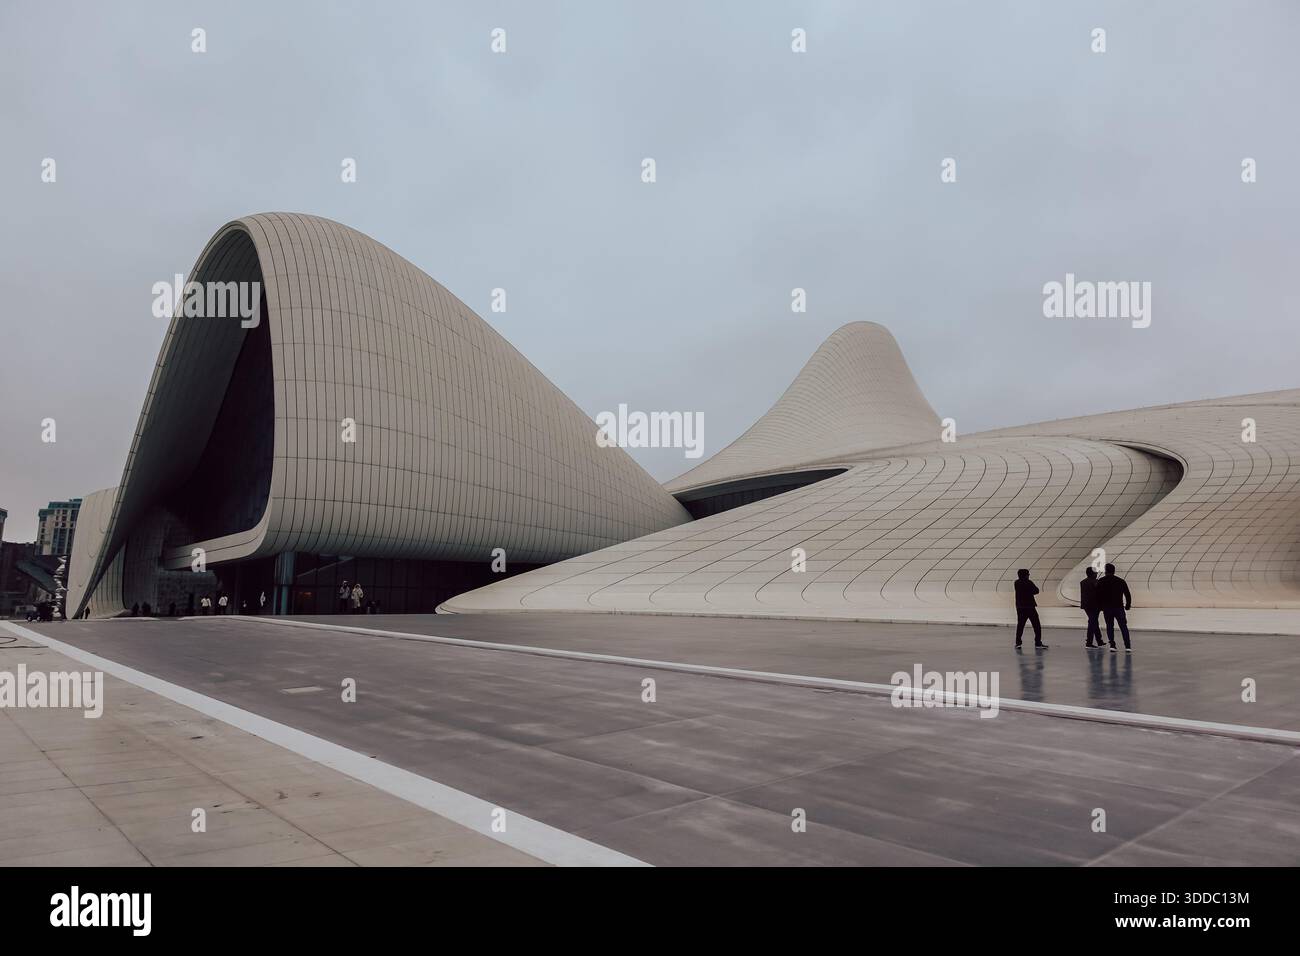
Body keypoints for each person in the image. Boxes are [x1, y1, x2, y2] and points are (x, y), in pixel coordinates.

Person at [1095, 563, 1133, 652]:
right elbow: (1127, 594)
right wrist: (1128, 605)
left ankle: (1112, 645)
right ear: (1114, 571)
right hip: (1119, 607)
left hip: (1107, 608)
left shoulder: (1101, 581)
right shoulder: (1121, 581)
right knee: (1123, 626)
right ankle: (1127, 646)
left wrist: (1100, 607)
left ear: (1105, 571)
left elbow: (1097, 595)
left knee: (1109, 626)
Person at [1013, 569, 1047, 648]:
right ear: (1025, 575)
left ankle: (1018, 643)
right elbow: (1036, 591)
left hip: (1020, 607)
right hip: (1030, 607)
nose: (1029, 575)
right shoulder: (1029, 582)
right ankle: (1038, 642)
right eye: (1028, 574)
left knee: (1020, 625)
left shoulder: (1016, 583)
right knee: (1036, 625)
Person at [1080, 567, 1104, 648]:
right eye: (1096, 573)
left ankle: (1099, 640)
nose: (1097, 574)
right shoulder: (1096, 582)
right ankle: (1089, 642)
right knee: (1092, 622)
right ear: (1093, 574)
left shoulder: (1083, 582)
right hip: (1095, 605)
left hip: (1086, 605)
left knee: (1094, 621)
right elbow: (1099, 594)